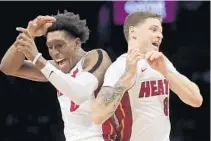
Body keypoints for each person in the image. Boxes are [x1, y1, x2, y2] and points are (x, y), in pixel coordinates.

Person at [0, 11, 116, 141]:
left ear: (77, 43)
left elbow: (80, 93)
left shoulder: (96, 56)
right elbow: (8, 68)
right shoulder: (55, 68)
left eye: (59, 45)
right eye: (50, 47)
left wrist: (37, 58)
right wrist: (28, 34)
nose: (54, 53)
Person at [92, 11, 203, 141]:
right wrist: (127, 77)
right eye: (153, 29)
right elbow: (98, 115)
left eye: (161, 31)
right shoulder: (120, 67)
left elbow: (196, 100)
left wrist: (166, 72)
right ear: (133, 32)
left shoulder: (161, 62)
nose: (160, 36)